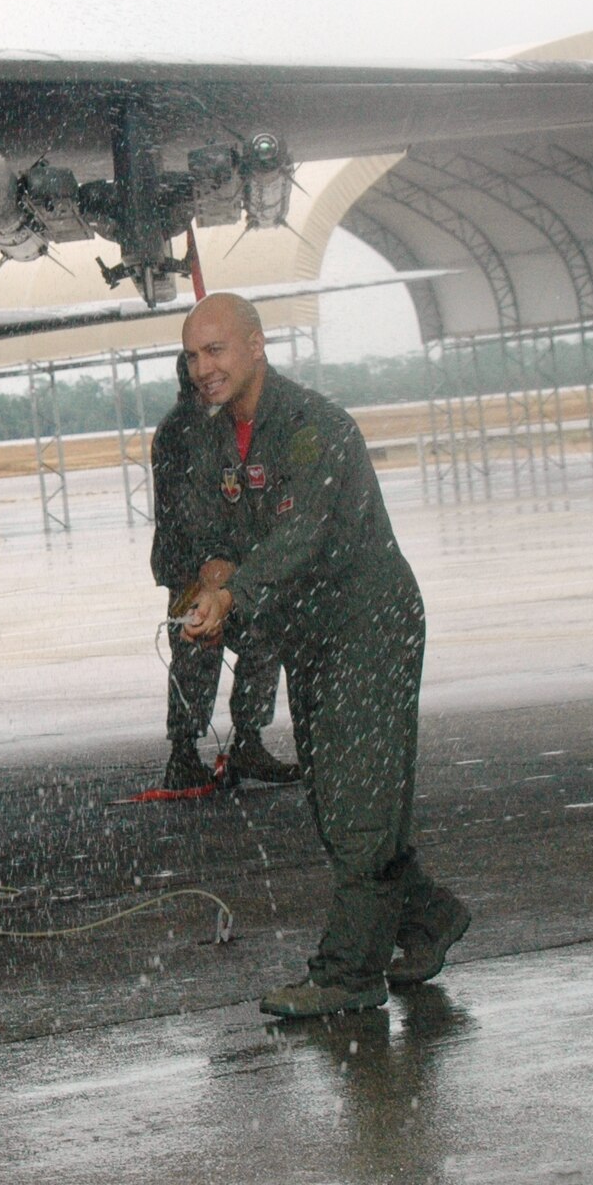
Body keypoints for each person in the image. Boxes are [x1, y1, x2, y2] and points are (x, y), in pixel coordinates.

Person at [179, 293, 469, 1016]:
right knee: (341, 798)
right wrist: (212, 589)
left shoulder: (315, 429)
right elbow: (222, 537)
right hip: (310, 631)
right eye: (191, 356)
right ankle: (428, 917)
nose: (202, 368)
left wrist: (236, 592)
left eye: (214, 350)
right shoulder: (220, 437)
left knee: (358, 803)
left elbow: (298, 536)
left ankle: (348, 975)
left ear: (255, 346)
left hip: (366, 624)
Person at [152, 350, 299, 789]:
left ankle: (216, 748)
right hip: (197, 568)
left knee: (237, 644)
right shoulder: (195, 429)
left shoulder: (180, 426)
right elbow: (196, 506)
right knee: (207, 649)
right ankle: (207, 750)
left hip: (208, 564)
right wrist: (208, 568)